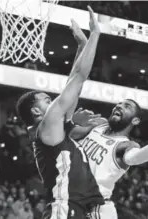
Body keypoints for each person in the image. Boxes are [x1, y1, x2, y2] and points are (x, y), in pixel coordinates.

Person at [16, 6, 104, 219]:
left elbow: (73, 82)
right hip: (64, 208)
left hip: (76, 208)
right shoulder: (48, 126)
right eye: (47, 100)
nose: (53, 100)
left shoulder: (55, 127)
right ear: (37, 110)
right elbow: (79, 78)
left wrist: (82, 45)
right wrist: (94, 35)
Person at [76, 99, 148, 219]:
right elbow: (64, 135)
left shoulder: (126, 146)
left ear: (135, 120)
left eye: (126, 106)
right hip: (68, 196)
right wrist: (71, 122)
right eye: (118, 104)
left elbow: (137, 157)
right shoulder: (99, 124)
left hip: (93, 207)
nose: (119, 106)